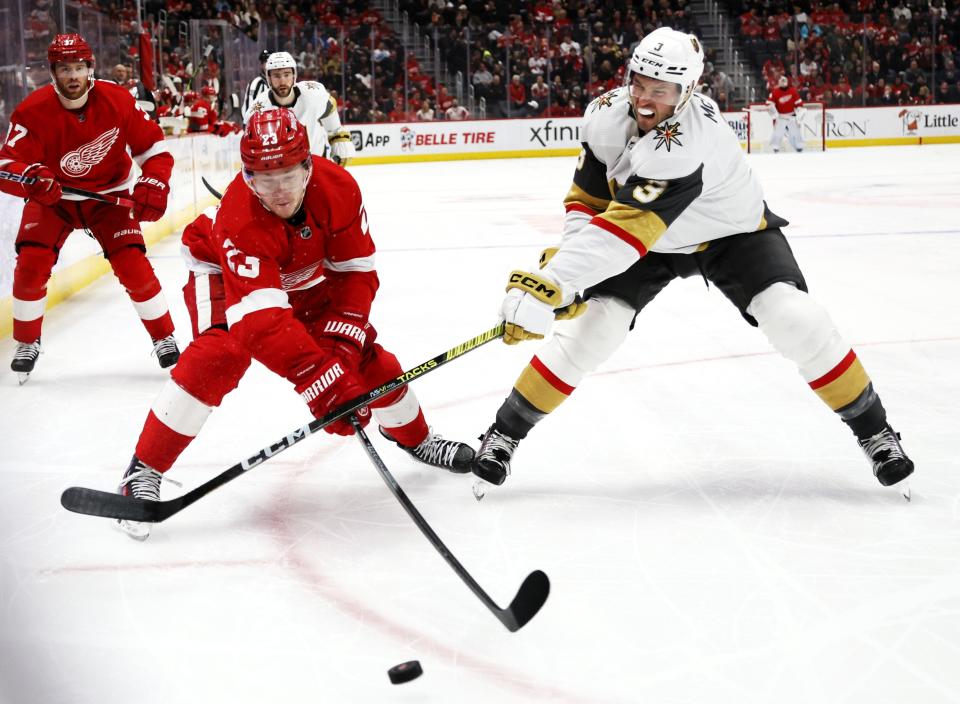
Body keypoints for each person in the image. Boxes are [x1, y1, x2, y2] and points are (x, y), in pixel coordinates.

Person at [471, 27, 914, 493]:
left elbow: (625, 231)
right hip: (649, 238)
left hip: (730, 233)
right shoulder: (604, 114)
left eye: (659, 91)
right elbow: (589, 199)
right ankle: (504, 434)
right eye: (638, 82)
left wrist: (553, 281)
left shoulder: (687, 141)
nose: (643, 99)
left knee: (795, 318)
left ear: (687, 92)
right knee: (591, 329)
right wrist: (568, 274)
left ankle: (875, 432)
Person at [116, 108, 475, 540]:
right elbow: (259, 324)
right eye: (265, 179)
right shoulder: (239, 216)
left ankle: (417, 438)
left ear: (309, 165)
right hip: (220, 271)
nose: (280, 190)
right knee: (219, 356)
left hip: (301, 276)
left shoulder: (339, 187)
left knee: (366, 362)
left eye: (289, 174)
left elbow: (356, 273)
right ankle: (143, 469)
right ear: (247, 177)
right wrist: (319, 377)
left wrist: (341, 353)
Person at [0, 33, 179, 383]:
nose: (73, 76)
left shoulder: (118, 99)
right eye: (65, 68)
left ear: (90, 68)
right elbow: (5, 162)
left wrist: (154, 182)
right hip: (54, 200)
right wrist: (30, 177)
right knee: (31, 265)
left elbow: (154, 150)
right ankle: (26, 342)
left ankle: (164, 336)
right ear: (52, 72)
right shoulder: (32, 110)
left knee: (133, 266)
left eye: (79, 67)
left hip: (109, 198)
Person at [242, 51, 354, 166]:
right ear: (268, 78)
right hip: (283, 174)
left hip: (317, 165)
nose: (282, 81)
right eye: (276, 75)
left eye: (286, 74)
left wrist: (338, 137)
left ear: (294, 75)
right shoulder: (258, 109)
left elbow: (331, 113)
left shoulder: (313, 94)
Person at [767, 75, 806, 152]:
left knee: (796, 132)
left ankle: (799, 146)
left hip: (792, 116)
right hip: (781, 117)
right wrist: (774, 112)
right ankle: (775, 147)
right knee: (778, 133)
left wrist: (799, 112)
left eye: (784, 81)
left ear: (787, 82)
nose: (783, 83)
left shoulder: (793, 91)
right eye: (782, 81)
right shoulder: (774, 92)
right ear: (779, 83)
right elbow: (769, 104)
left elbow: (799, 103)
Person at [241, 49, 270, 124]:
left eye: (270, 61)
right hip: (259, 125)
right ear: (261, 65)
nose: (268, 64)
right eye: (265, 62)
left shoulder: (277, 83)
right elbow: (249, 107)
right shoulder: (256, 83)